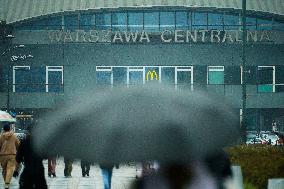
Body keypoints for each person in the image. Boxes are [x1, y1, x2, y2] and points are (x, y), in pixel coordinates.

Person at [16, 122, 47, 189]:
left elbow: (18, 158)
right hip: (39, 170)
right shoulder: (41, 142)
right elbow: (45, 156)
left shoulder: (24, 142)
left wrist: (16, 170)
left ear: (28, 131)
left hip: (28, 170)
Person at [0, 122, 20, 189]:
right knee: (10, 169)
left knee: (4, 169)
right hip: (12, 155)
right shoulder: (13, 136)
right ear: (9, 128)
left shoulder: (1, 136)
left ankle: (6, 181)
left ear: (4, 129)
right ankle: (7, 182)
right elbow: (18, 144)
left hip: (2, 156)